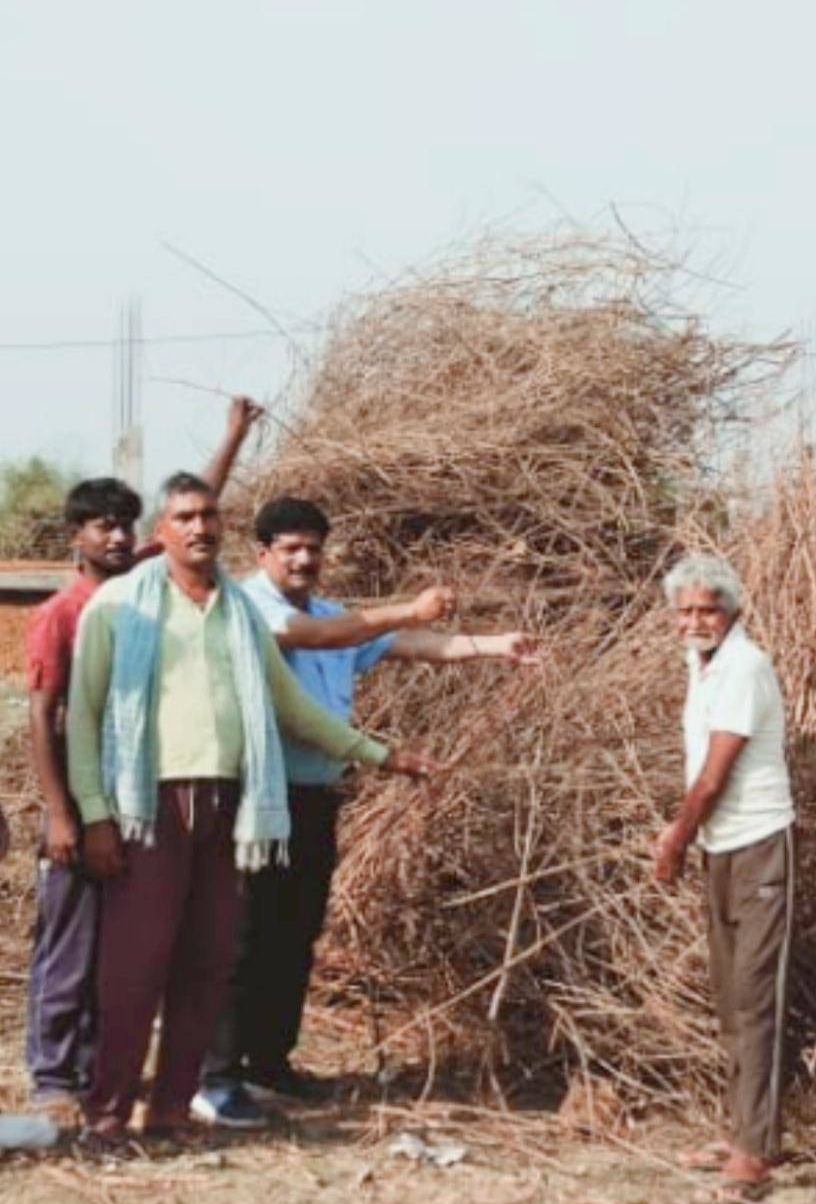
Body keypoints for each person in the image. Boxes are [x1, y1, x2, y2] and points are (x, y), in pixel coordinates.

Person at [66, 473, 442, 1143]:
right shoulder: (120, 607)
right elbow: (85, 717)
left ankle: (174, 1112)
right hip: (146, 806)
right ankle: (106, 1116)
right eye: (184, 516)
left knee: (206, 963)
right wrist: (93, 814)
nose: (199, 527)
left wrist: (383, 754)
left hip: (229, 808)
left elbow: (294, 708)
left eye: (209, 515)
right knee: (134, 966)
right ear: (163, 531)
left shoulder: (240, 613)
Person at [192, 495, 538, 1126]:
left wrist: (493, 644)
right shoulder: (247, 606)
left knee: (294, 934)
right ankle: (216, 1075)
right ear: (262, 553)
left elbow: (404, 644)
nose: (303, 559)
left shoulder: (332, 613)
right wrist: (406, 605)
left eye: (313, 548)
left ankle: (269, 1063)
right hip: (257, 797)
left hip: (316, 796)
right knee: (242, 933)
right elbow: (322, 636)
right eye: (290, 548)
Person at [23, 397, 262, 1117]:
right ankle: (54, 1077)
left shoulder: (141, 595)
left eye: (128, 525)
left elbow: (192, 512)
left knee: (118, 952)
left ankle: (104, 1072)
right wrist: (62, 813)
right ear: (76, 537)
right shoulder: (66, 611)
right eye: (105, 526)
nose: (121, 537)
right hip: (80, 806)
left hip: (131, 808)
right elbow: (47, 713)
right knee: (67, 947)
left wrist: (233, 437)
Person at [653, 554, 795, 1193]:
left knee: (756, 996)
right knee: (731, 998)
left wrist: (673, 840)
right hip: (722, 846)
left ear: (732, 611)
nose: (694, 621)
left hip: (759, 843)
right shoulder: (703, 664)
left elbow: (714, 776)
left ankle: (756, 1150)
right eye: (684, 611)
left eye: (707, 609)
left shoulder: (744, 666)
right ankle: (743, 1129)